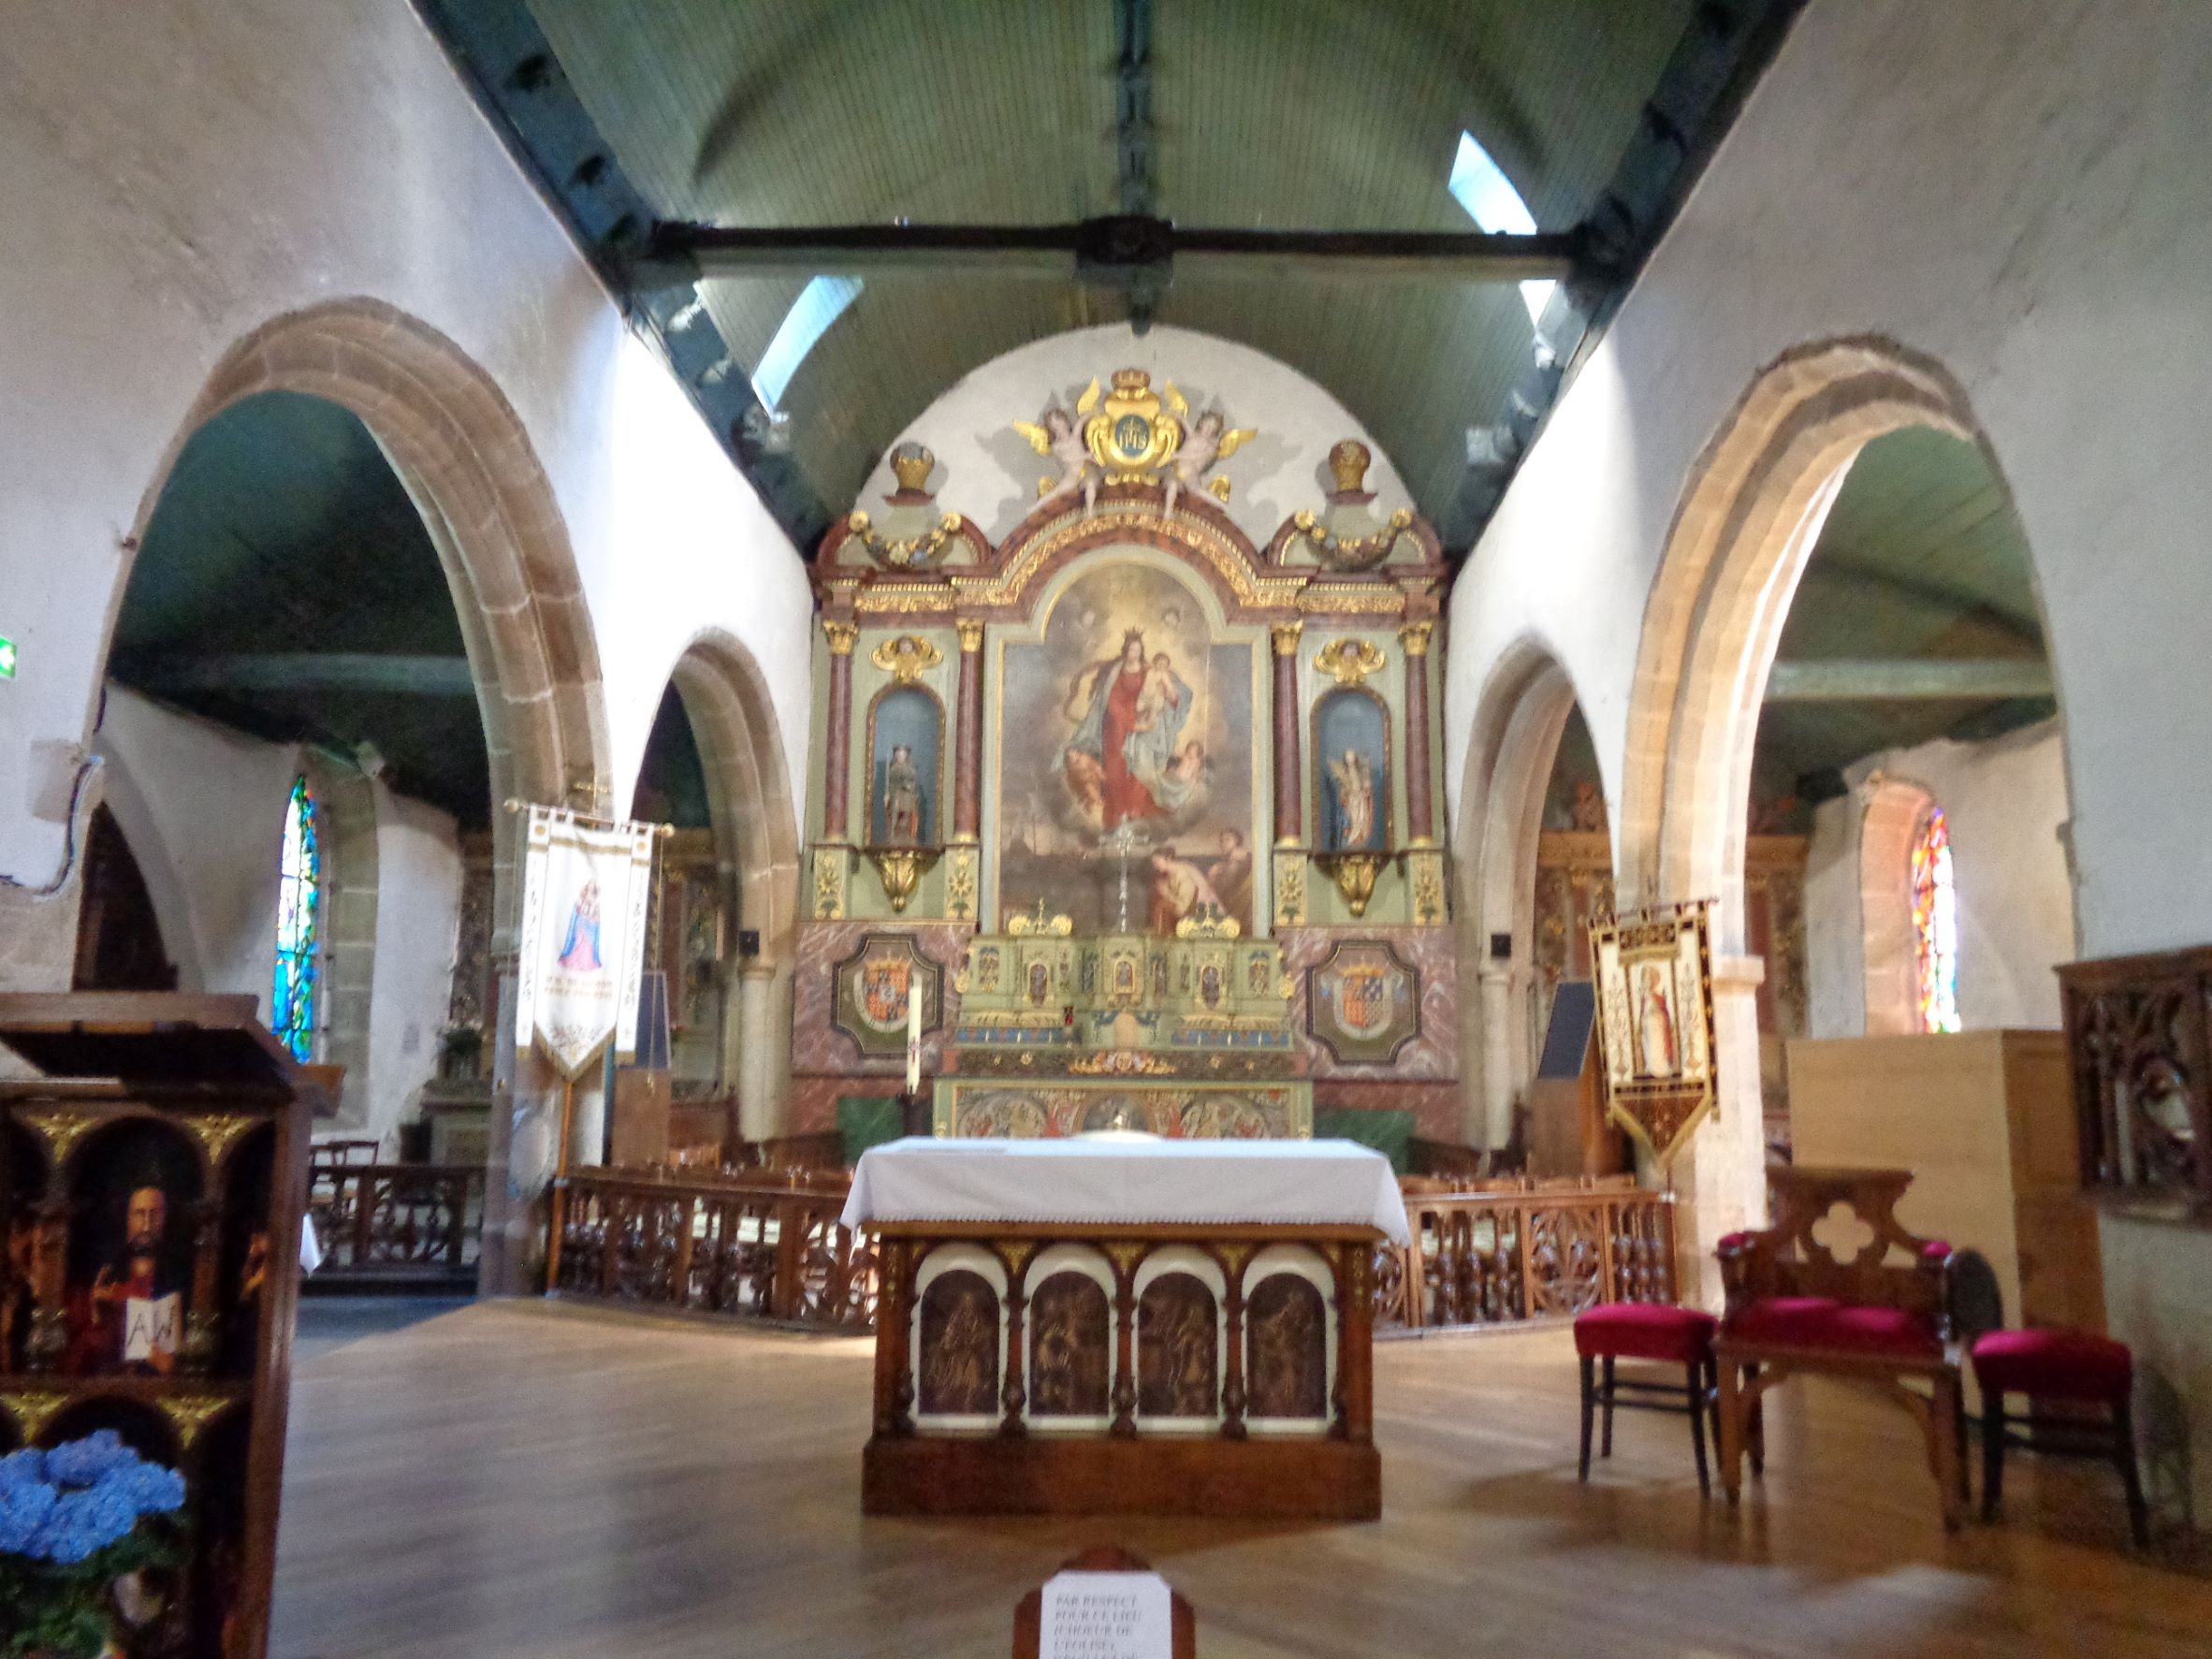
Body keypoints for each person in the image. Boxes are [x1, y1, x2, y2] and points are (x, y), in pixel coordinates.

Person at [72, 1182, 188, 1376]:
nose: (147, 1224)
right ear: (128, 1218)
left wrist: (167, 1363)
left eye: (154, 1214)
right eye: (140, 1213)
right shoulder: (109, 1270)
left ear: (164, 1218)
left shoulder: (179, 1273)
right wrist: (97, 1314)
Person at [1146, 847, 1223, 935]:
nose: (1155, 866)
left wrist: (1166, 894)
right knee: (1161, 905)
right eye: (1153, 863)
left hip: (1204, 919)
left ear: (1168, 858)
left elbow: (1183, 908)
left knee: (1163, 906)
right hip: (1188, 915)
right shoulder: (1169, 875)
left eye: (1157, 862)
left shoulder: (1183, 874)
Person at [1326, 747, 1376, 848]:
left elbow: (1365, 785)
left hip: (1360, 800)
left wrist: (1365, 793)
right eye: (1349, 760)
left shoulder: (1359, 772)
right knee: (1354, 820)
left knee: (1362, 819)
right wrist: (1345, 797)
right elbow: (1344, 792)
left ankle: (1359, 834)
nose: (1351, 762)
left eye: (1352, 760)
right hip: (1352, 802)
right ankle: (1354, 835)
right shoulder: (1345, 775)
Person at [557, 880, 603, 972]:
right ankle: (576, 959)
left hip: (590, 926)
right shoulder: (582, 898)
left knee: (587, 945)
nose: (590, 889)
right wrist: (580, 909)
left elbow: (596, 918)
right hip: (581, 924)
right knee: (578, 942)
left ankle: (585, 962)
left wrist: (591, 917)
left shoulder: (596, 902)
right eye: (589, 886)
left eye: (592, 887)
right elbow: (579, 911)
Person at [882, 743, 923, 844]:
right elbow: (890, 784)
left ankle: (906, 834)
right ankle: (893, 833)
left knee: (906, 814)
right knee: (894, 814)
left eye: (902, 754)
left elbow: (913, 783)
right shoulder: (893, 768)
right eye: (898, 754)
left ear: (906, 756)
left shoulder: (911, 768)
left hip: (907, 795)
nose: (900, 757)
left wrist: (909, 786)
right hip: (895, 794)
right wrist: (887, 795)